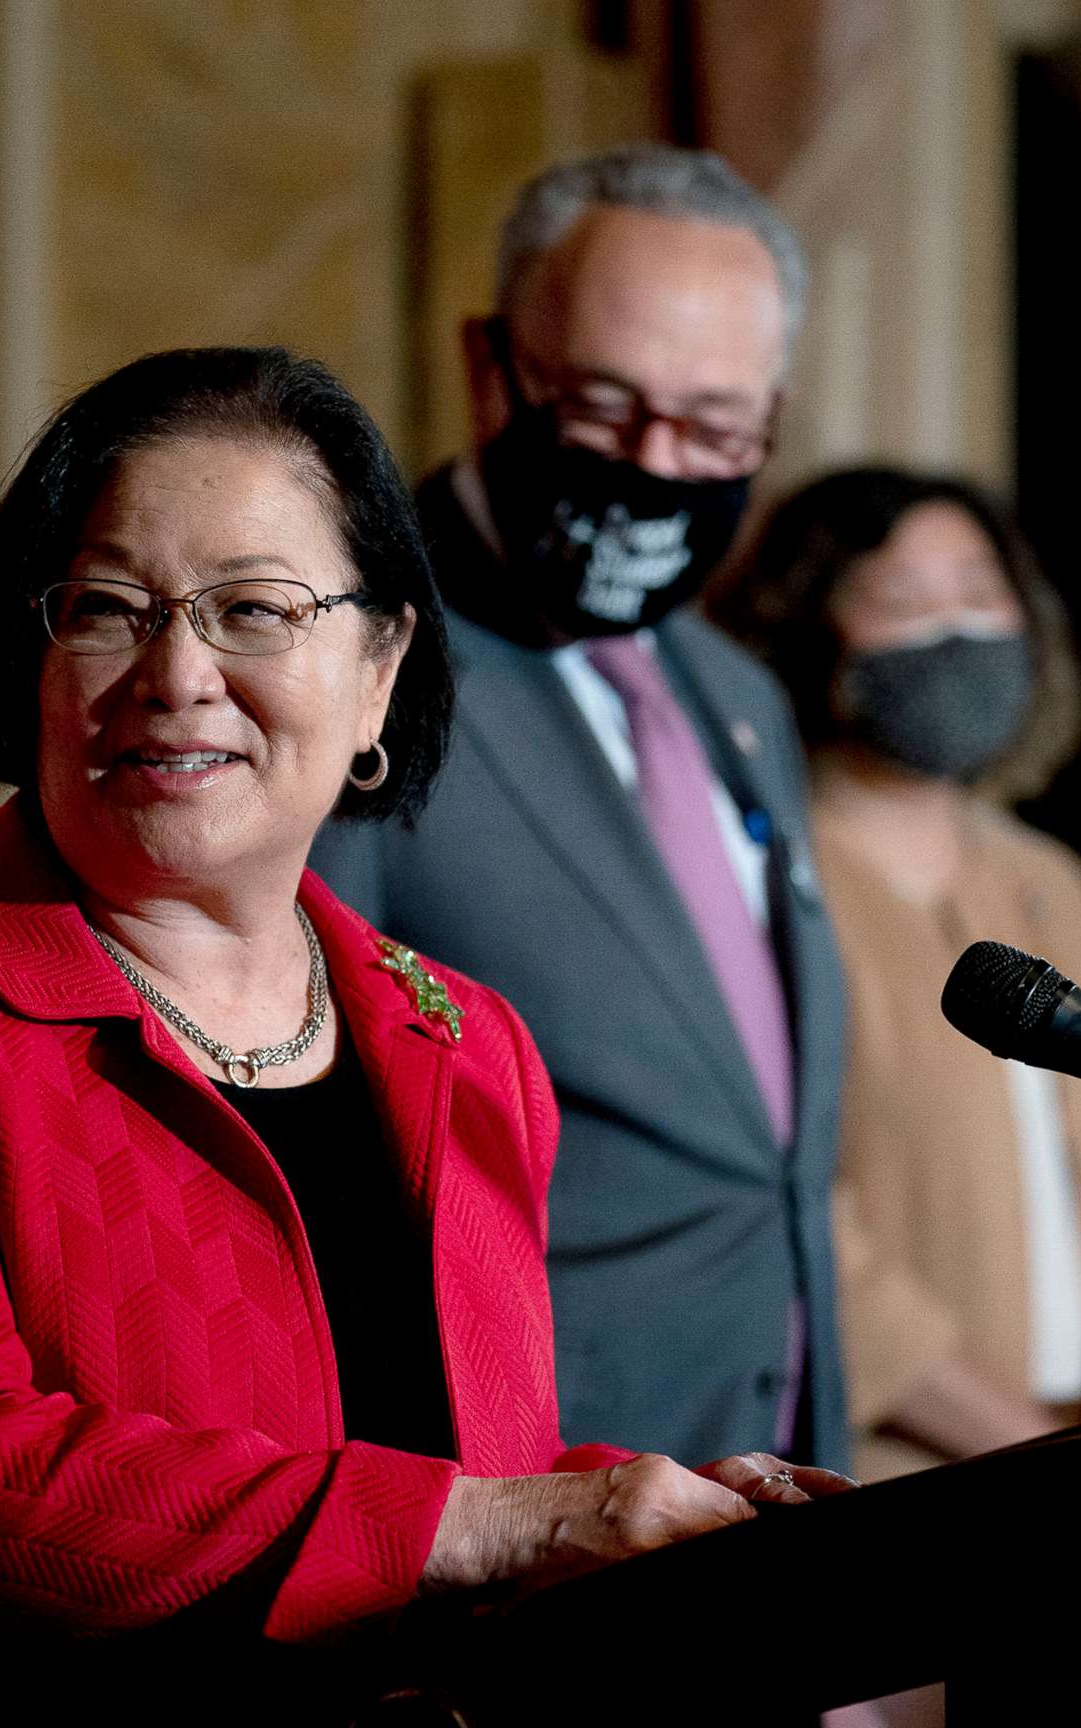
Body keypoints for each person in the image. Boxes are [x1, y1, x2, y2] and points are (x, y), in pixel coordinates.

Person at [0, 347, 848, 1723]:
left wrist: (642, 1513)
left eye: (254, 609)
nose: (178, 673)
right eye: (110, 608)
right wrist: (511, 1522)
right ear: (32, 654)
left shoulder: (465, 1043)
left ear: (378, 671)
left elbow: (452, 1461)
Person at [308, 146, 851, 1474]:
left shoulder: (733, 693)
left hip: (769, 1453)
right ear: (491, 370)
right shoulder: (345, 662)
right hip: (527, 1495)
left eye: (717, 431)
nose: (659, 470)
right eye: (606, 412)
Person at [708, 466, 1081, 1481]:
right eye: (903, 600)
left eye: (980, 591)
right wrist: (1025, 1445)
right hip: (904, 1475)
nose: (955, 627)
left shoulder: (1050, 883)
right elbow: (799, 1230)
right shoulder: (764, 891)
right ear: (806, 628)